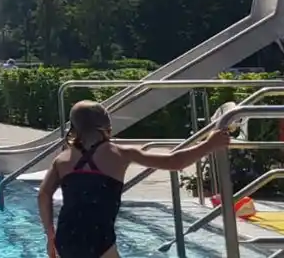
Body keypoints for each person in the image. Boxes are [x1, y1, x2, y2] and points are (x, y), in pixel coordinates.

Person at [38, 101, 232, 258]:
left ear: (73, 129)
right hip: (99, 237)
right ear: (108, 127)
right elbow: (174, 161)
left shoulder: (61, 159)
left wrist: (50, 234)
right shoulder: (120, 153)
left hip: (65, 236)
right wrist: (208, 145)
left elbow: (44, 194)